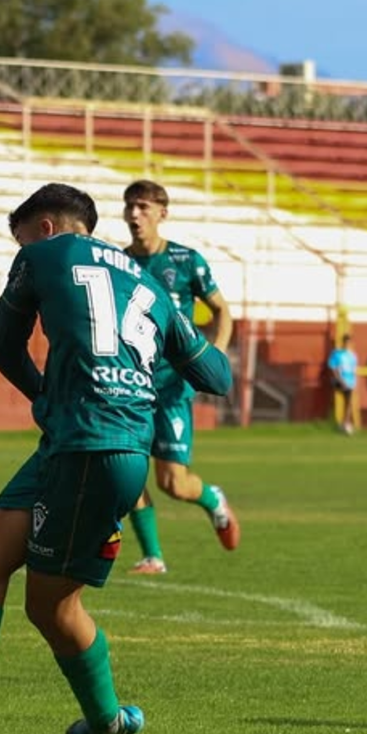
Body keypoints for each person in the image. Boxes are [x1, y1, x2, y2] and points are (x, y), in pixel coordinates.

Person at [0, 183, 233, 734]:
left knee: (52, 604)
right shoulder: (151, 284)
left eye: (21, 239)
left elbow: (4, 350)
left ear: (45, 228)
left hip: (87, 447)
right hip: (98, 447)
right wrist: (154, 360)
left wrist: (43, 396)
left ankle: (95, 720)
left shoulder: (40, 255)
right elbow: (218, 377)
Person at [119, 179, 240, 576]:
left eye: (143, 207)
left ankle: (212, 499)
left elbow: (221, 310)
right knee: (128, 471)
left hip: (172, 388)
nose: (134, 215)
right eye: (129, 207)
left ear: (162, 214)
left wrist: (214, 356)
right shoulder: (119, 263)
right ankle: (153, 556)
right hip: (130, 385)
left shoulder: (188, 262)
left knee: (173, 482)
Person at [328, 333, 357, 435]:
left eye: (348, 342)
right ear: (343, 342)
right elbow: (333, 368)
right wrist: (341, 381)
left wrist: (353, 382)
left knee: (348, 402)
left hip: (349, 382)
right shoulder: (337, 353)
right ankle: (345, 424)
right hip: (339, 380)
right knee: (346, 401)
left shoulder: (352, 356)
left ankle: (345, 424)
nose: (347, 344)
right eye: (345, 341)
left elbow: (353, 370)